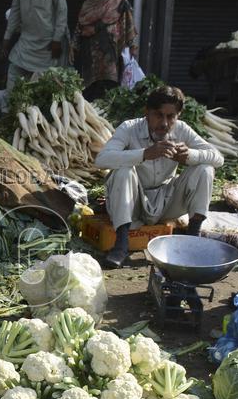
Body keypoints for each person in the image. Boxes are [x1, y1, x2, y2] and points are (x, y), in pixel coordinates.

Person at [94, 86, 224, 269]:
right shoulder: (129, 128)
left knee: (205, 169)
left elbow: (218, 158)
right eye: (158, 115)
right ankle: (121, 246)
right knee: (123, 171)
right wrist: (145, 154)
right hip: (133, 203)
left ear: (178, 115)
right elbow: (101, 160)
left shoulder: (182, 130)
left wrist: (190, 156)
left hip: (167, 201)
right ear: (146, 113)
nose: (164, 123)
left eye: (171, 117)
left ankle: (193, 240)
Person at [0, 0, 69, 93]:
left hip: (49, 42)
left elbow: (62, 9)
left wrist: (57, 39)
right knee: (14, 70)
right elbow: (15, 9)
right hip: (27, 39)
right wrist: (7, 37)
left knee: (49, 82)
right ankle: (8, 110)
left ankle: (42, 114)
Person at [72, 0, 138, 102]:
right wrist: (73, 46)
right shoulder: (87, 5)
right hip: (89, 54)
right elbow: (79, 28)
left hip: (110, 53)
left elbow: (128, 21)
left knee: (110, 86)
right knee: (89, 89)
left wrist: (132, 44)